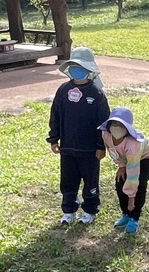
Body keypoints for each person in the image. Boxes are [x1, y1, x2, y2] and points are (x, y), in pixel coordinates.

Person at [47, 47, 110, 226]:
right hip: (67, 147)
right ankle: (69, 211)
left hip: (90, 150)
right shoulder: (63, 90)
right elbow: (56, 115)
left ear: (90, 69)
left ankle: (90, 210)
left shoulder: (97, 93)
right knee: (68, 181)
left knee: (90, 181)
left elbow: (104, 121)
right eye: (74, 65)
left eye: (81, 66)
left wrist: (101, 146)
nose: (77, 69)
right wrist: (54, 138)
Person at [100, 107, 149, 235]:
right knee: (120, 182)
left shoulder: (132, 145)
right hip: (127, 159)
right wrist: (121, 165)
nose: (117, 127)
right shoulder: (106, 135)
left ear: (127, 128)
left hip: (144, 157)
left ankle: (134, 218)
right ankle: (125, 213)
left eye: (121, 125)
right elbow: (113, 151)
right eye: (114, 123)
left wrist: (131, 198)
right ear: (109, 125)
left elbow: (133, 175)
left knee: (140, 185)